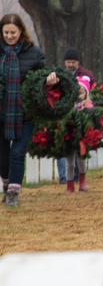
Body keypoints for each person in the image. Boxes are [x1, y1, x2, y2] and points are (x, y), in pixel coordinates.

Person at [1, 14, 59, 207]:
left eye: (13, 32)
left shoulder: (33, 53)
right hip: (2, 112)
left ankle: (13, 194)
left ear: (20, 31)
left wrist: (49, 80)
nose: (10, 36)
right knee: (3, 157)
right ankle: (6, 185)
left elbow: (42, 77)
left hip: (24, 113)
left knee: (17, 153)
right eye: (6, 32)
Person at [57, 47, 97, 185]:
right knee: (65, 152)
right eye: (68, 62)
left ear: (78, 62)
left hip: (80, 117)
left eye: (73, 62)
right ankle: (64, 178)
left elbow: (91, 86)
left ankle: (78, 178)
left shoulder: (86, 75)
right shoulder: (61, 74)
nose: (70, 65)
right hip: (65, 114)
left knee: (79, 153)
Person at [64, 76, 94, 194]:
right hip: (69, 137)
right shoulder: (69, 106)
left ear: (86, 93)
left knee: (81, 160)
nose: (79, 94)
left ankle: (82, 182)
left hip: (82, 137)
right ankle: (69, 185)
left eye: (82, 92)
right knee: (69, 163)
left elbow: (91, 119)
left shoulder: (88, 106)